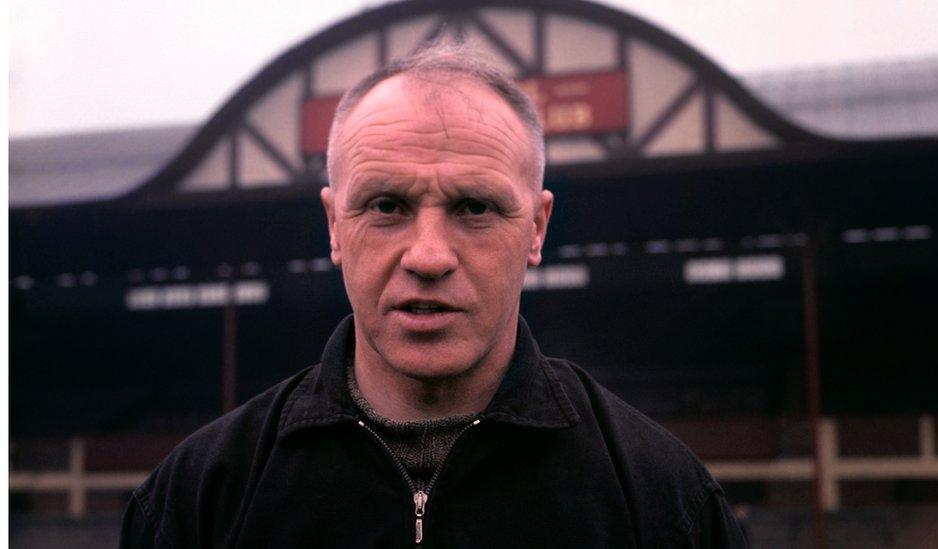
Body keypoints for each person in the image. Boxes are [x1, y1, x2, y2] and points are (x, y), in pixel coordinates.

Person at [119, 41, 748, 548]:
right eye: (386, 206)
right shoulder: (197, 499)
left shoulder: (669, 505)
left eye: (474, 207)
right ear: (335, 226)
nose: (427, 256)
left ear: (536, 229)